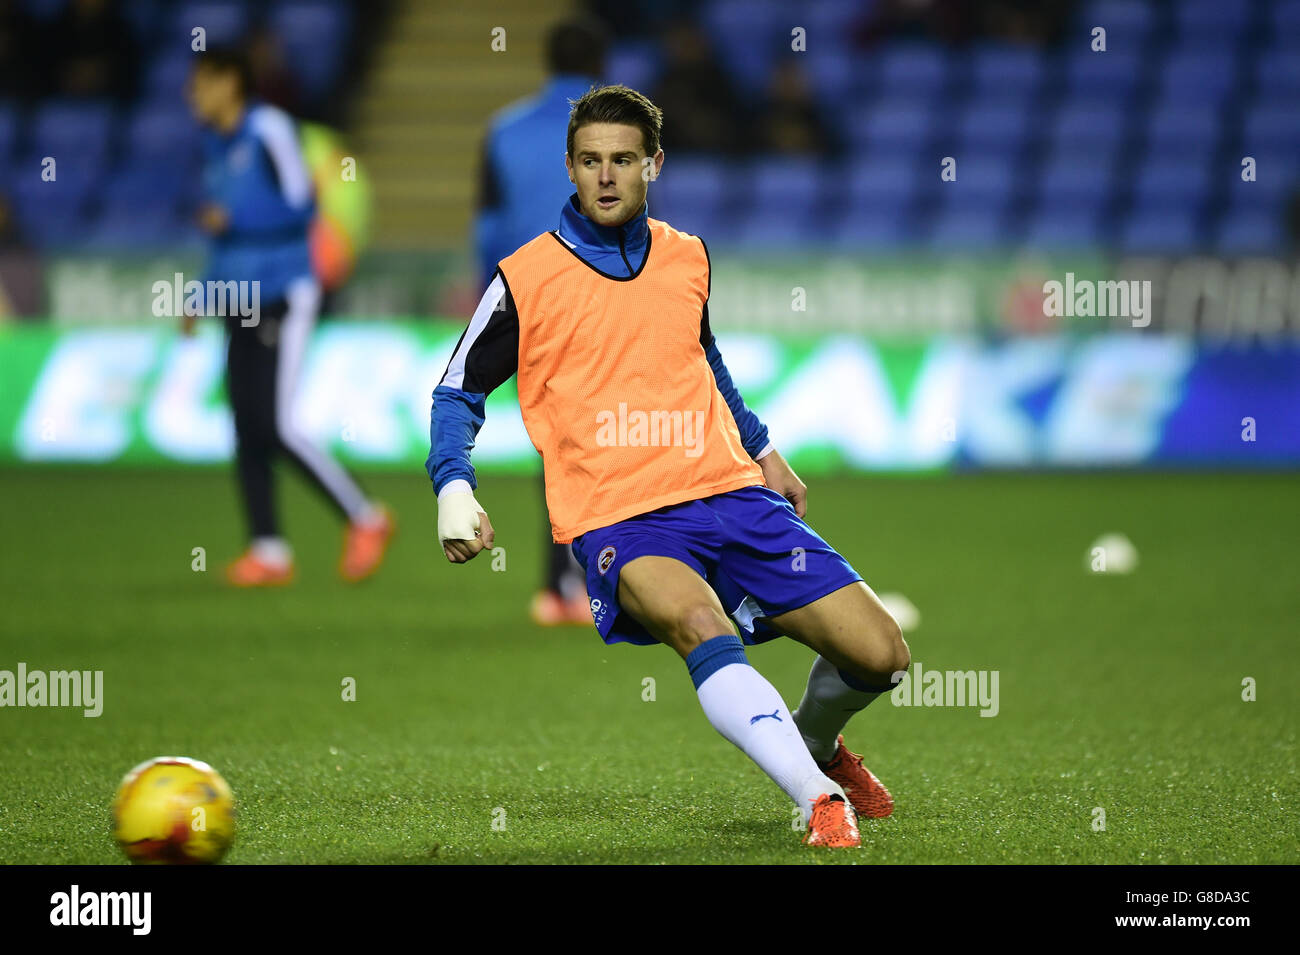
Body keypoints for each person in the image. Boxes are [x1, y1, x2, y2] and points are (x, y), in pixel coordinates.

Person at [427, 85, 910, 847]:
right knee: (696, 622)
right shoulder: (525, 277)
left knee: (882, 656)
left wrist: (762, 448)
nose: (606, 176)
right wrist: (454, 485)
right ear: (570, 167)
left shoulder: (688, 256)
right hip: (618, 513)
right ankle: (816, 796)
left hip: (729, 491)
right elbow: (457, 390)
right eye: (590, 161)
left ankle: (815, 742)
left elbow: (703, 357)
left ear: (655, 163)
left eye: (623, 159)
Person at [185, 47, 393, 587]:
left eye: (202, 83)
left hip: (285, 289)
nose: (193, 95)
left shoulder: (270, 129)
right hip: (239, 296)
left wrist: (236, 216)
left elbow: (303, 203)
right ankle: (268, 548)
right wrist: (200, 296)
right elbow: (222, 236)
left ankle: (365, 516)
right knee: (245, 424)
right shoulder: (213, 143)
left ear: (230, 83)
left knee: (275, 422)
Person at [474, 16, 609, 626]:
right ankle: (589, 581)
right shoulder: (614, 131)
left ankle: (558, 586)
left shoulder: (501, 129)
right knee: (603, 440)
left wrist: (492, 297)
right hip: (600, 296)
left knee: (556, 443)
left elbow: (485, 227)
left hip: (526, 298)